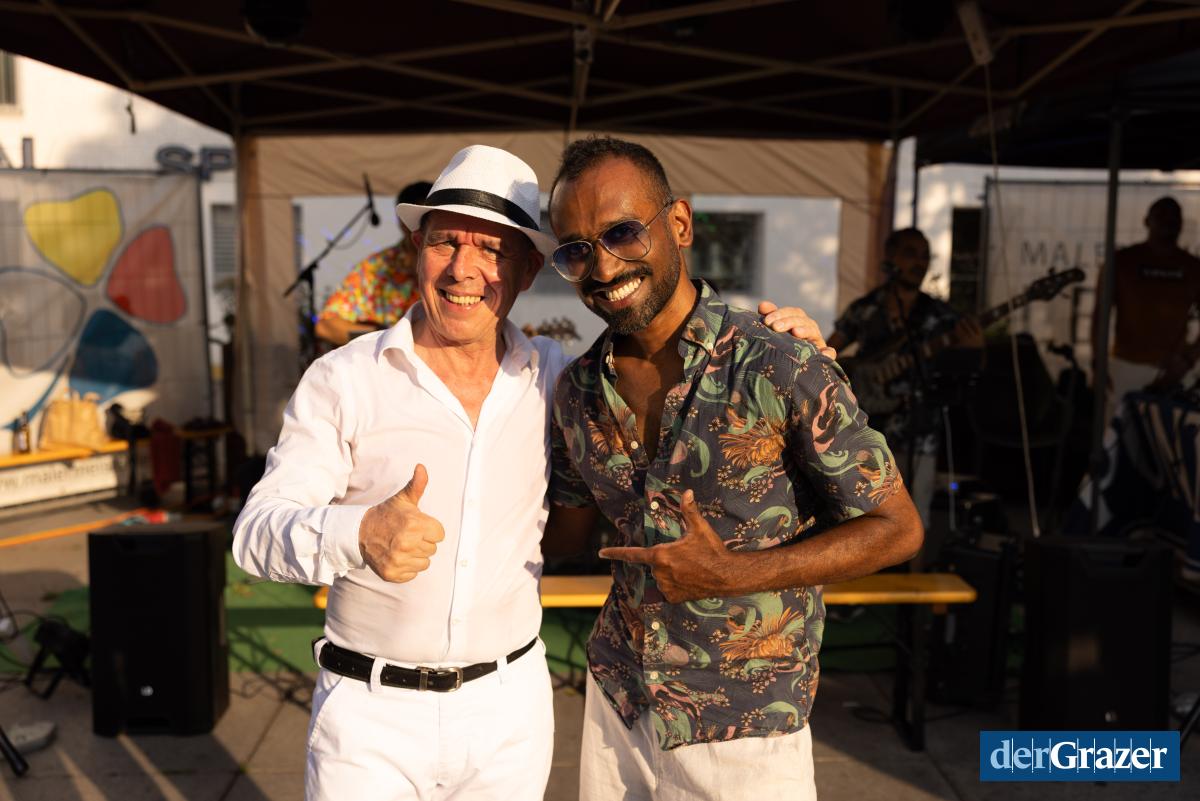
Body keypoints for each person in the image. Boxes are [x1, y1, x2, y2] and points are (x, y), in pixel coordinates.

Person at [233, 144, 832, 801]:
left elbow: (670, 375)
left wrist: (789, 343)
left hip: (507, 716)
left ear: (524, 271)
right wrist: (358, 533)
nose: (463, 269)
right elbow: (255, 533)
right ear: (417, 250)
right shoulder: (344, 379)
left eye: (491, 250)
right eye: (445, 241)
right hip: (369, 718)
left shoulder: (560, 380)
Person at [543, 136, 924, 800]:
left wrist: (735, 574)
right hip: (618, 707)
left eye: (623, 233)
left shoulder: (778, 363)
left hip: (745, 726)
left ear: (679, 224)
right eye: (577, 250)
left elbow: (898, 528)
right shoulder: (578, 391)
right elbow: (563, 538)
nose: (602, 266)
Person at [826, 227, 982, 530]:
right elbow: (826, 354)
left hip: (920, 430)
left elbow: (969, 370)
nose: (919, 263)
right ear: (890, 257)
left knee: (914, 519)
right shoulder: (865, 309)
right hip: (868, 429)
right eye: (911, 253)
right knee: (863, 518)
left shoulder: (940, 314)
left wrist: (975, 349)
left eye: (925, 256)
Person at [1099, 196, 1200, 400]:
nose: (1168, 223)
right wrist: (1098, 362)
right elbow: (1100, 315)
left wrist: (1188, 358)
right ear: (1147, 221)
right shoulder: (1123, 261)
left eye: (1174, 218)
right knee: (1122, 419)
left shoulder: (1192, 267)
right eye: (1161, 216)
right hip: (1126, 365)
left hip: (1174, 372)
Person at [314, 180, 431, 346]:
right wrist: (381, 339)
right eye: (413, 219)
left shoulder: (458, 265)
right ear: (400, 221)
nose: (420, 227)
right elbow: (325, 327)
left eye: (427, 218)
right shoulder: (376, 267)